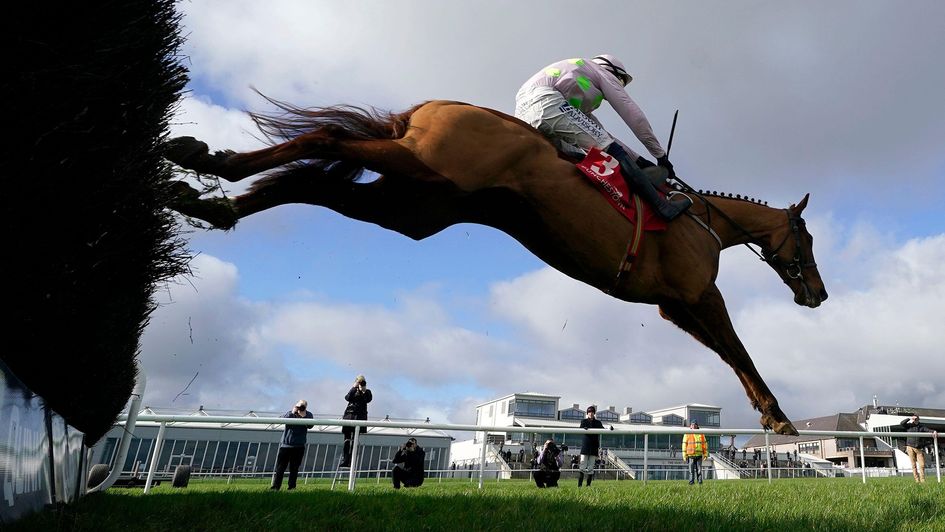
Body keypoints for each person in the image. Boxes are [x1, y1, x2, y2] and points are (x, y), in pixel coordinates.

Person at [514, 54, 692, 221]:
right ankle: (663, 207)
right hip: (548, 102)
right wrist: (660, 155)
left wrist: (640, 161)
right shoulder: (600, 71)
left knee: (581, 159)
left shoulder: (576, 79)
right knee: (609, 152)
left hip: (524, 112)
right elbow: (632, 114)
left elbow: (601, 134)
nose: (619, 86)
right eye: (621, 81)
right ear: (613, 71)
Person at [270, 399, 313, 490]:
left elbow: (310, 425)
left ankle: (292, 487)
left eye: (302, 406)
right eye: (298, 406)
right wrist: (292, 412)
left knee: (294, 468)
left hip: (299, 446)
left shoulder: (308, 415)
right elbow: (283, 420)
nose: (300, 408)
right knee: (280, 468)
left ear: (305, 407)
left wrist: (303, 417)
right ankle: (276, 486)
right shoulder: (290, 413)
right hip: (286, 445)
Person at [340, 374, 372, 467]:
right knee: (347, 440)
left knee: (355, 440)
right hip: (349, 417)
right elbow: (348, 398)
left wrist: (363, 391)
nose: (360, 383)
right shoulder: (353, 391)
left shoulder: (367, 392)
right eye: (359, 381)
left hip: (360, 418)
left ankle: (351, 460)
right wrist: (354, 387)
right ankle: (345, 459)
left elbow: (368, 400)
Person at [900, 414, 938, 483]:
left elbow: (928, 430)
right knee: (913, 465)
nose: (915, 420)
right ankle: (917, 480)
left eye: (916, 419)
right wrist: (909, 419)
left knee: (922, 465)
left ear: (918, 419)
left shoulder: (921, 427)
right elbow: (902, 423)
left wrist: (934, 431)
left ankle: (922, 480)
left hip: (919, 448)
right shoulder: (909, 426)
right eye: (914, 419)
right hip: (910, 447)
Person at [578, 405, 604, 487]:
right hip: (585, 446)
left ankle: (588, 486)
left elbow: (603, 429)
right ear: (587, 413)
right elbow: (580, 429)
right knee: (582, 466)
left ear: (594, 413)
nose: (591, 413)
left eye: (592, 412)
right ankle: (579, 486)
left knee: (590, 467)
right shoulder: (584, 421)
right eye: (589, 412)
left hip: (594, 447)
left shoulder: (598, 423)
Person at [683, 420, 708, 485]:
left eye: (695, 424)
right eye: (692, 424)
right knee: (691, 471)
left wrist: (705, 454)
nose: (693, 426)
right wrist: (684, 455)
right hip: (690, 455)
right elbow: (684, 444)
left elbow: (704, 445)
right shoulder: (687, 433)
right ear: (690, 426)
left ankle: (700, 482)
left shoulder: (701, 434)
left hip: (699, 455)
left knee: (699, 470)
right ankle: (691, 482)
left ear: (697, 426)